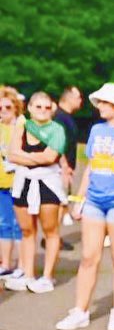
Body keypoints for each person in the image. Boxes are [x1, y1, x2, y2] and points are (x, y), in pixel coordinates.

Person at [55, 84, 114, 330]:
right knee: (88, 257)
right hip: (95, 202)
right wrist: (80, 199)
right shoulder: (96, 130)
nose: (99, 106)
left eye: (104, 102)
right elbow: (91, 167)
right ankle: (80, 311)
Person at [4, 92, 67, 293]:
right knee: (27, 231)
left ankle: (48, 276)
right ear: (29, 107)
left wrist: (25, 157)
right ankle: (28, 274)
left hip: (47, 183)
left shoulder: (57, 130)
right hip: (22, 183)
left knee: (50, 230)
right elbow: (12, 154)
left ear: (52, 109)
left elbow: (50, 157)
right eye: (38, 107)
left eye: (46, 107)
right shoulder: (21, 126)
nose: (42, 111)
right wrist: (34, 158)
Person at [0, 87, 24, 277]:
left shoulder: (22, 128)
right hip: (1, 184)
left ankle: (22, 265)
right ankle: (6, 264)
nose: (3, 111)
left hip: (19, 183)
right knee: (3, 224)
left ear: (15, 108)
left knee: (20, 226)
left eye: (7, 107)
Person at [54, 86, 82, 237]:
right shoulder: (59, 117)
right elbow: (57, 144)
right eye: (78, 97)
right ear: (69, 98)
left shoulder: (67, 117)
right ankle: (52, 238)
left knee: (62, 203)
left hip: (66, 168)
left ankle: (54, 238)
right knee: (59, 203)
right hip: (59, 168)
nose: (80, 101)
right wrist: (64, 166)